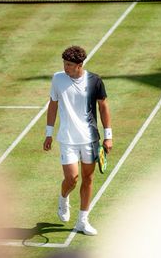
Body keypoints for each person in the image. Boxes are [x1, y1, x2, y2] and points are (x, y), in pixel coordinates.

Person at [43, 46, 112, 236]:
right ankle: (63, 198)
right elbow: (53, 105)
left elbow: (103, 108)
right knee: (72, 178)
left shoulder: (95, 81)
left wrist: (108, 136)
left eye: (69, 65)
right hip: (67, 139)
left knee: (88, 179)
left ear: (80, 65)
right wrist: (48, 133)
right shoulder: (58, 79)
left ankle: (83, 221)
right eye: (64, 64)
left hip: (90, 139)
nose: (65, 68)